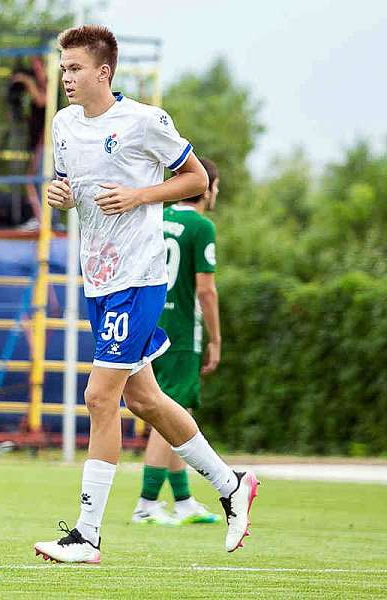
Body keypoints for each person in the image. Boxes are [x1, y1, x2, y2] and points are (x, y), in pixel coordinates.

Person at [33, 26, 257, 564]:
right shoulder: (64, 125)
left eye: (75, 68)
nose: (65, 77)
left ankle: (87, 536)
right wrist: (57, 195)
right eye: (63, 68)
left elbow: (195, 179)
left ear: (103, 72)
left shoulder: (144, 122)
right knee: (145, 400)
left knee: (98, 398)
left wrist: (139, 194)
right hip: (99, 280)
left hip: (139, 277)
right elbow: (67, 190)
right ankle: (232, 484)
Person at [132, 157, 223, 526]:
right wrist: (216, 338)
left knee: (176, 412)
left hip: (151, 323)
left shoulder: (160, 216)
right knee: (168, 415)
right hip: (183, 333)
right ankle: (147, 503)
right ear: (206, 187)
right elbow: (206, 289)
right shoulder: (201, 226)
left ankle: (183, 500)